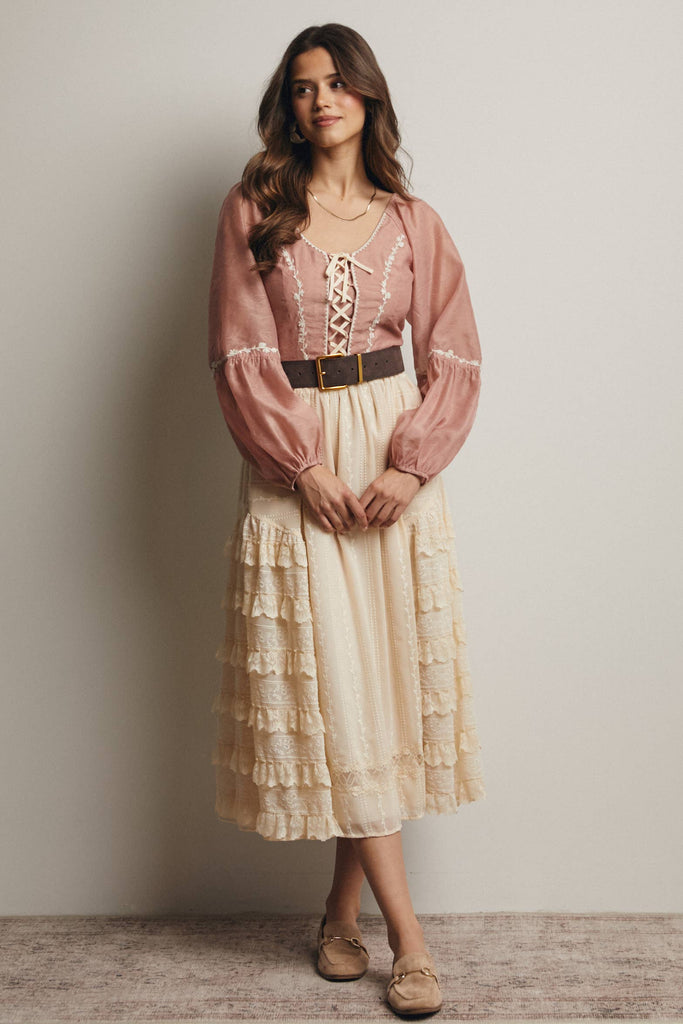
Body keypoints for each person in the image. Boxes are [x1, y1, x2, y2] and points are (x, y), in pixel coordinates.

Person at [208, 22, 486, 1018]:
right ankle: (409, 942)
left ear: (367, 96)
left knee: (375, 691)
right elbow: (239, 354)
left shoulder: (415, 222)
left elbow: (454, 354)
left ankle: (338, 915)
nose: (319, 99)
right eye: (300, 86)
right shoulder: (253, 209)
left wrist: (409, 468)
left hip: (390, 456)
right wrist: (302, 467)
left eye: (335, 82)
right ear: (286, 105)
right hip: (298, 452)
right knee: (334, 684)